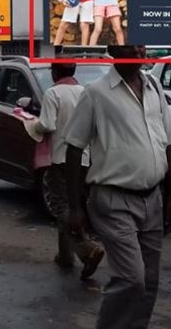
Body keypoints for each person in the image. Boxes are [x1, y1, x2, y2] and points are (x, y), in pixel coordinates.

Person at [63, 44, 171, 329]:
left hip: (152, 198)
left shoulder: (153, 87)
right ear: (114, 49)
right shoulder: (96, 93)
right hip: (113, 200)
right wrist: (76, 207)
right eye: (131, 43)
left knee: (149, 281)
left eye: (141, 43)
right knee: (131, 278)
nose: (139, 49)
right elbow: (74, 149)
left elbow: (168, 143)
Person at [32, 63, 105, 279]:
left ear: (54, 73)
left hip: (61, 157)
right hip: (83, 158)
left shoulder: (53, 93)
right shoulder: (84, 92)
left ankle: (86, 248)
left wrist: (32, 125)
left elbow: (46, 124)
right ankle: (65, 256)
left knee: (61, 205)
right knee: (74, 204)